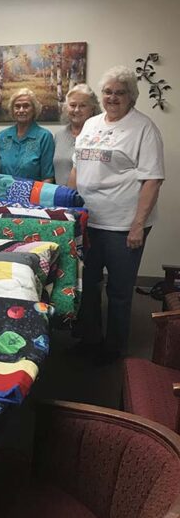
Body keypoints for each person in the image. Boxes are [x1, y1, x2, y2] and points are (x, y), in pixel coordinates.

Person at [69, 65, 165, 363]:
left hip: (123, 224)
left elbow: (153, 179)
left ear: (131, 97)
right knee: (88, 283)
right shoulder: (91, 124)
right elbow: (77, 168)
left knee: (120, 290)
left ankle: (115, 349)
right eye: (108, 92)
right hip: (88, 221)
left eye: (120, 93)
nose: (113, 97)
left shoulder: (143, 128)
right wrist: (69, 210)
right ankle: (90, 339)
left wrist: (138, 225)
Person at [0, 88, 54, 182]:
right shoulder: (2, 136)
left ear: (34, 109)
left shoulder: (44, 137)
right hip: (4, 194)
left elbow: (48, 177)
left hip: (33, 195)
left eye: (26, 106)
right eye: (17, 106)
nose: (21, 110)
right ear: (12, 110)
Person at [53, 84, 101, 185]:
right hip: (62, 198)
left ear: (92, 109)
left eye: (83, 105)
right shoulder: (59, 136)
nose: (77, 110)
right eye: (73, 105)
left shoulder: (99, 136)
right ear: (66, 108)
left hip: (89, 198)